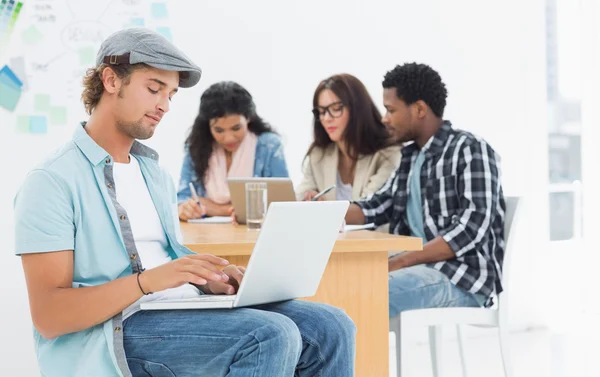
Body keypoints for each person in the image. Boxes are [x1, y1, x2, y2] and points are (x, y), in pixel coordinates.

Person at [14, 28, 355, 377]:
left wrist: (205, 278)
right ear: (111, 80)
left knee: (332, 326)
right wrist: (149, 281)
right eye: (153, 88)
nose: (164, 105)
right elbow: (50, 316)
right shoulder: (52, 180)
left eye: (171, 94)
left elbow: (163, 260)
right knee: (268, 335)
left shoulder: (154, 173)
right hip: (115, 329)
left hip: (177, 308)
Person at [345, 63, 506, 318]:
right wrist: (322, 212)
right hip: (419, 269)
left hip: (461, 277)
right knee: (341, 285)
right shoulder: (410, 157)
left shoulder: (470, 149)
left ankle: (362, 360)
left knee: (368, 292)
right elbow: (377, 206)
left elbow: (470, 229)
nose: (385, 119)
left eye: (390, 110)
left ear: (419, 109)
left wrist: (401, 261)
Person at [177, 81, 289, 220]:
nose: (228, 138)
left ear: (248, 118)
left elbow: (283, 203)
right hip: (204, 236)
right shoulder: (197, 146)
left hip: (253, 235)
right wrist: (185, 209)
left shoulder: (269, 146)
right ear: (208, 126)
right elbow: (182, 198)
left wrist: (215, 208)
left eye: (236, 128)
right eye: (219, 130)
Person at [296, 73, 401, 202]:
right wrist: (308, 198)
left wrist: (322, 209)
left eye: (336, 109)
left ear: (358, 109)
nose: (327, 118)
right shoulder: (318, 154)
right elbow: (299, 197)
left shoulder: (389, 154)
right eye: (321, 111)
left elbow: (369, 209)